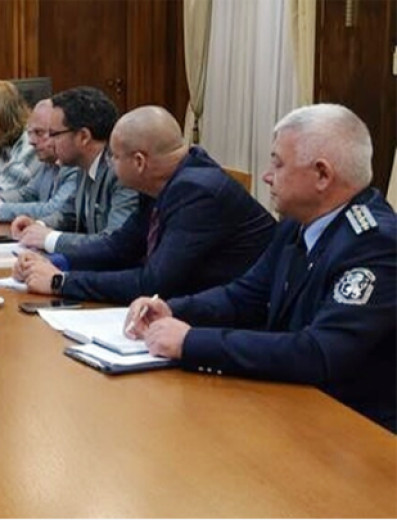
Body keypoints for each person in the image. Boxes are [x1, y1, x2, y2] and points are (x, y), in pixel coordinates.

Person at [125, 104, 396, 433]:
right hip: (292, 404)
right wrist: (173, 309)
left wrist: (191, 342)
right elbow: (244, 296)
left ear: (323, 175)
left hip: (356, 430)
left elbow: (319, 353)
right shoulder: (297, 224)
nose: (267, 176)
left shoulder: (374, 245)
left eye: (278, 164)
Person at [14, 105, 276, 304]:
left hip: (243, 319)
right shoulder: (164, 180)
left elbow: (153, 283)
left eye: (114, 157)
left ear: (139, 161)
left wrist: (61, 282)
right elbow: (120, 246)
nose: (109, 165)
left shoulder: (196, 193)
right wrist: (53, 261)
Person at [9, 87, 140, 256]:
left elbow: (115, 245)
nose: (50, 142)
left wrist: (49, 239)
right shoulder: (83, 166)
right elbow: (68, 214)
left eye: (54, 134)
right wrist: (38, 226)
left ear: (83, 137)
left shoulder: (121, 172)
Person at [0, 99, 79, 222]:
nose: (31, 141)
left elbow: (54, 210)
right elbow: (27, 194)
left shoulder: (75, 165)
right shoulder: (49, 163)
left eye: (39, 132)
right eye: (31, 133)